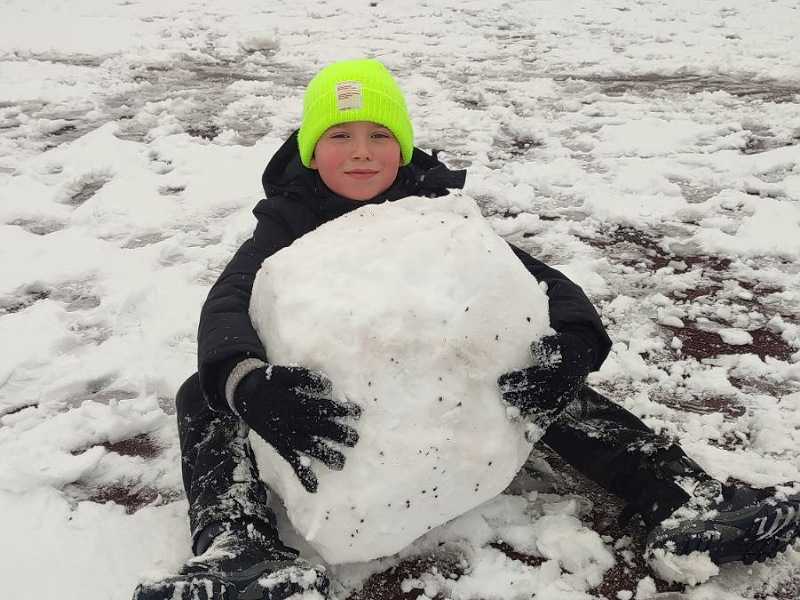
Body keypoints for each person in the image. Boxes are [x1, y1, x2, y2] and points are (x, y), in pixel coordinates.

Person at [133, 59, 800, 600]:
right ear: (311, 148)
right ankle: (238, 548)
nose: (361, 153)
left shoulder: (434, 209)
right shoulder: (289, 219)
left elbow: (543, 282)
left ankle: (685, 500)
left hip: (446, 385)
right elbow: (229, 301)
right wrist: (248, 384)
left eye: (379, 136)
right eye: (340, 136)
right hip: (333, 405)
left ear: (403, 146)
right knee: (205, 391)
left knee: (534, 371)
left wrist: (571, 348)